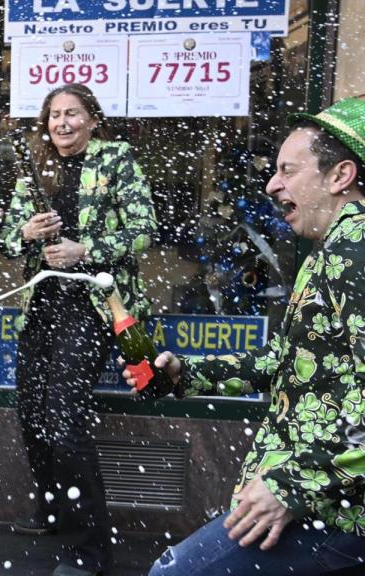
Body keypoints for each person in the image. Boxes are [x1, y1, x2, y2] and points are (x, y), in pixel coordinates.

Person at [127, 98, 365, 576]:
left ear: (340, 176)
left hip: (332, 514)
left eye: (287, 170)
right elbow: (289, 359)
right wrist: (186, 373)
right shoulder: (333, 248)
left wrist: (294, 486)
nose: (272, 184)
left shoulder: (357, 251)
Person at [0, 83, 156, 576]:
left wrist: (86, 250)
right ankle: (52, 508)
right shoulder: (34, 169)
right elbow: (11, 244)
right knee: (32, 410)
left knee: (63, 418)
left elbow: (144, 229)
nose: (62, 122)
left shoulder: (117, 158)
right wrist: (24, 233)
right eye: (54, 115)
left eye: (72, 114)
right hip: (43, 303)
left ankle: (88, 550)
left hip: (94, 305)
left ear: (92, 120)